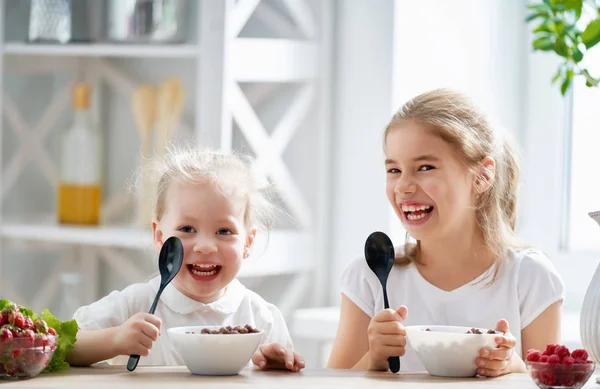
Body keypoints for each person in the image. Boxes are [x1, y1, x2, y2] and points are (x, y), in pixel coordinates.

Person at [327, 88, 564, 377]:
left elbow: (551, 382)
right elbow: (330, 382)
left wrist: (514, 367)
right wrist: (372, 360)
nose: (403, 186)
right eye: (394, 170)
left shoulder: (530, 277)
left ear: (482, 176)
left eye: (425, 167)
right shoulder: (369, 276)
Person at [66, 146, 305, 372]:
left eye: (224, 231)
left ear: (248, 242)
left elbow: (287, 373)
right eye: (188, 229)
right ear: (160, 237)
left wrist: (275, 367)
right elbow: (64, 346)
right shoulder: (134, 305)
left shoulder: (262, 317)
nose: (205, 247)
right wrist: (115, 339)